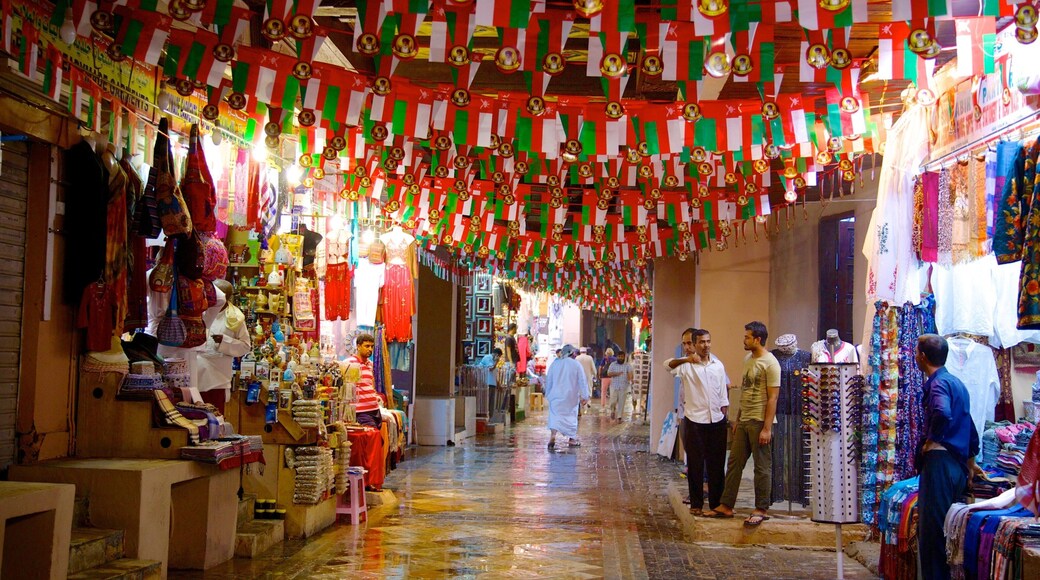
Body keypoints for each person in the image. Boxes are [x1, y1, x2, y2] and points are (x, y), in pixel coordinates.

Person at [915, 334, 981, 580]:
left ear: (922, 357)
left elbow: (941, 413)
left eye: (916, 352)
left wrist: (932, 440)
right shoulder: (957, 384)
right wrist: (971, 463)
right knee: (951, 530)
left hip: (940, 464)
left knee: (935, 532)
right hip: (956, 465)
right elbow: (970, 427)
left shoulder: (938, 384)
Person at [704, 321, 781, 526]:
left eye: (747, 337)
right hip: (745, 419)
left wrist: (766, 428)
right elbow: (745, 391)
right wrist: (738, 419)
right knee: (734, 463)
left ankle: (761, 508)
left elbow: (773, 398)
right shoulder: (748, 359)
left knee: (761, 467)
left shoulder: (771, 363)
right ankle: (726, 505)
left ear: (757, 339)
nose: (744, 340)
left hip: (759, 421)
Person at [667, 328, 729, 516]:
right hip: (695, 419)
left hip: (716, 419)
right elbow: (667, 365)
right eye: (701, 342)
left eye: (708, 341)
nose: (706, 345)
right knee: (695, 464)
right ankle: (696, 503)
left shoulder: (717, 365)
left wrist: (726, 412)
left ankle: (717, 503)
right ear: (695, 345)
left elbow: (722, 392)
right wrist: (687, 359)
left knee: (717, 464)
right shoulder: (686, 366)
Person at [544, 344, 590, 450]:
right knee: (571, 417)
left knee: (554, 416)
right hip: (570, 397)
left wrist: (548, 393)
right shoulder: (576, 364)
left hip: (555, 396)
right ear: (571, 353)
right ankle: (572, 439)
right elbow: (582, 381)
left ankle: (553, 436)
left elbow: (549, 379)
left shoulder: (555, 364)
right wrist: (585, 396)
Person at [346, 333, 382, 429]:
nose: (370, 349)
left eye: (372, 346)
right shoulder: (349, 363)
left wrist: (375, 396)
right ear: (358, 346)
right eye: (367, 346)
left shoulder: (370, 364)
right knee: (372, 438)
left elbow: (371, 383)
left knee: (376, 439)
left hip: (375, 409)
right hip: (361, 411)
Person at [606, 351, 633, 421]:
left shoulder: (628, 365)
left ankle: (619, 416)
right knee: (613, 401)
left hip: (623, 386)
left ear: (624, 357)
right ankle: (612, 410)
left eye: (622, 357)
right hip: (614, 386)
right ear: (617, 357)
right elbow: (609, 373)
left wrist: (631, 379)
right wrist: (617, 374)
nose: (620, 358)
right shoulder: (613, 364)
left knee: (622, 402)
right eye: (619, 356)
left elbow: (630, 374)